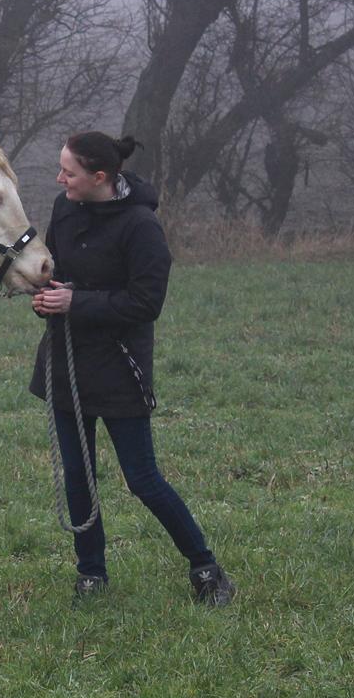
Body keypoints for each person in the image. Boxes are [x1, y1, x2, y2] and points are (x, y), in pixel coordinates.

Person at [29, 131, 235, 606]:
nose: (60, 179)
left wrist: (76, 302)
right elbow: (56, 274)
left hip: (120, 369)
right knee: (77, 476)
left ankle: (206, 569)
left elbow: (146, 303)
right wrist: (45, 300)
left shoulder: (141, 226)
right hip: (67, 365)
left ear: (99, 177)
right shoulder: (65, 209)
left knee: (143, 479)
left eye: (69, 172)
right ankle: (91, 576)